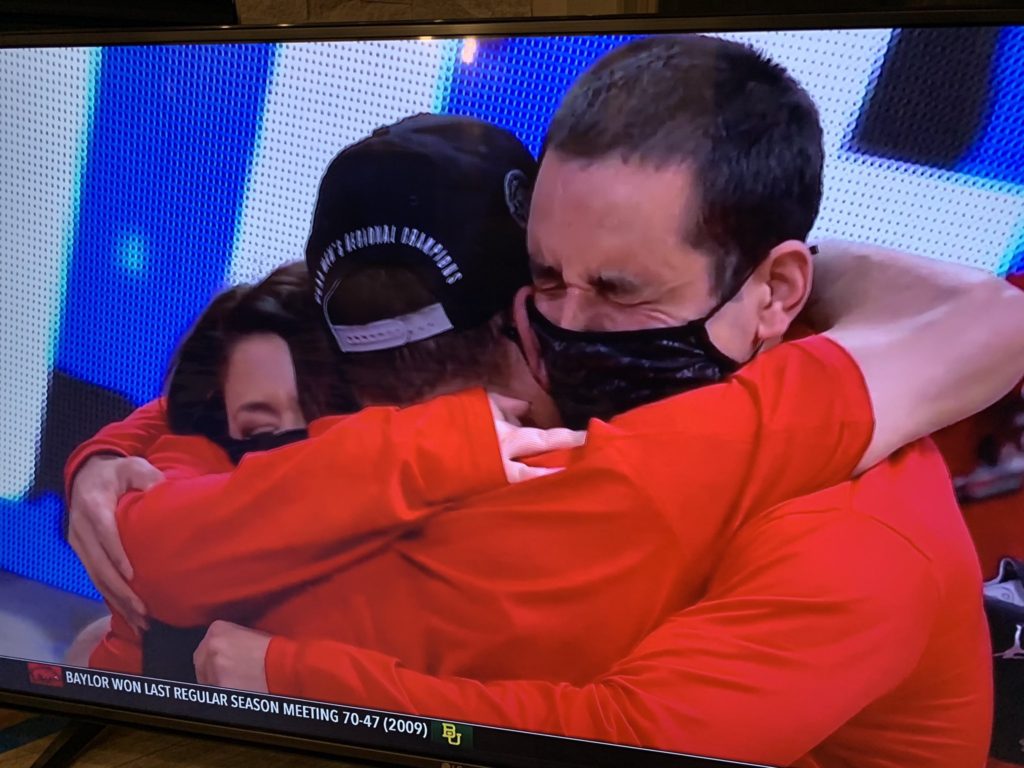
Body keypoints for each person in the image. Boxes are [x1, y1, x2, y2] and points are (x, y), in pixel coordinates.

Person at [66, 41, 1024, 768]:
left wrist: (285, 675)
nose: (566, 327)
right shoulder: (584, 344)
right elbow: (282, 364)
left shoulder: (856, 524)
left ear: (776, 291)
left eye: (618, 289)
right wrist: (111, 459)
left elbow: (635, 740)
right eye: (545, 276)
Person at [65, 261, 355, 669]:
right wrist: (98, 459)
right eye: (262, 432)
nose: (294, 449)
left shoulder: (428, 465)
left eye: (326, 414)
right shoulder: (190, 476)